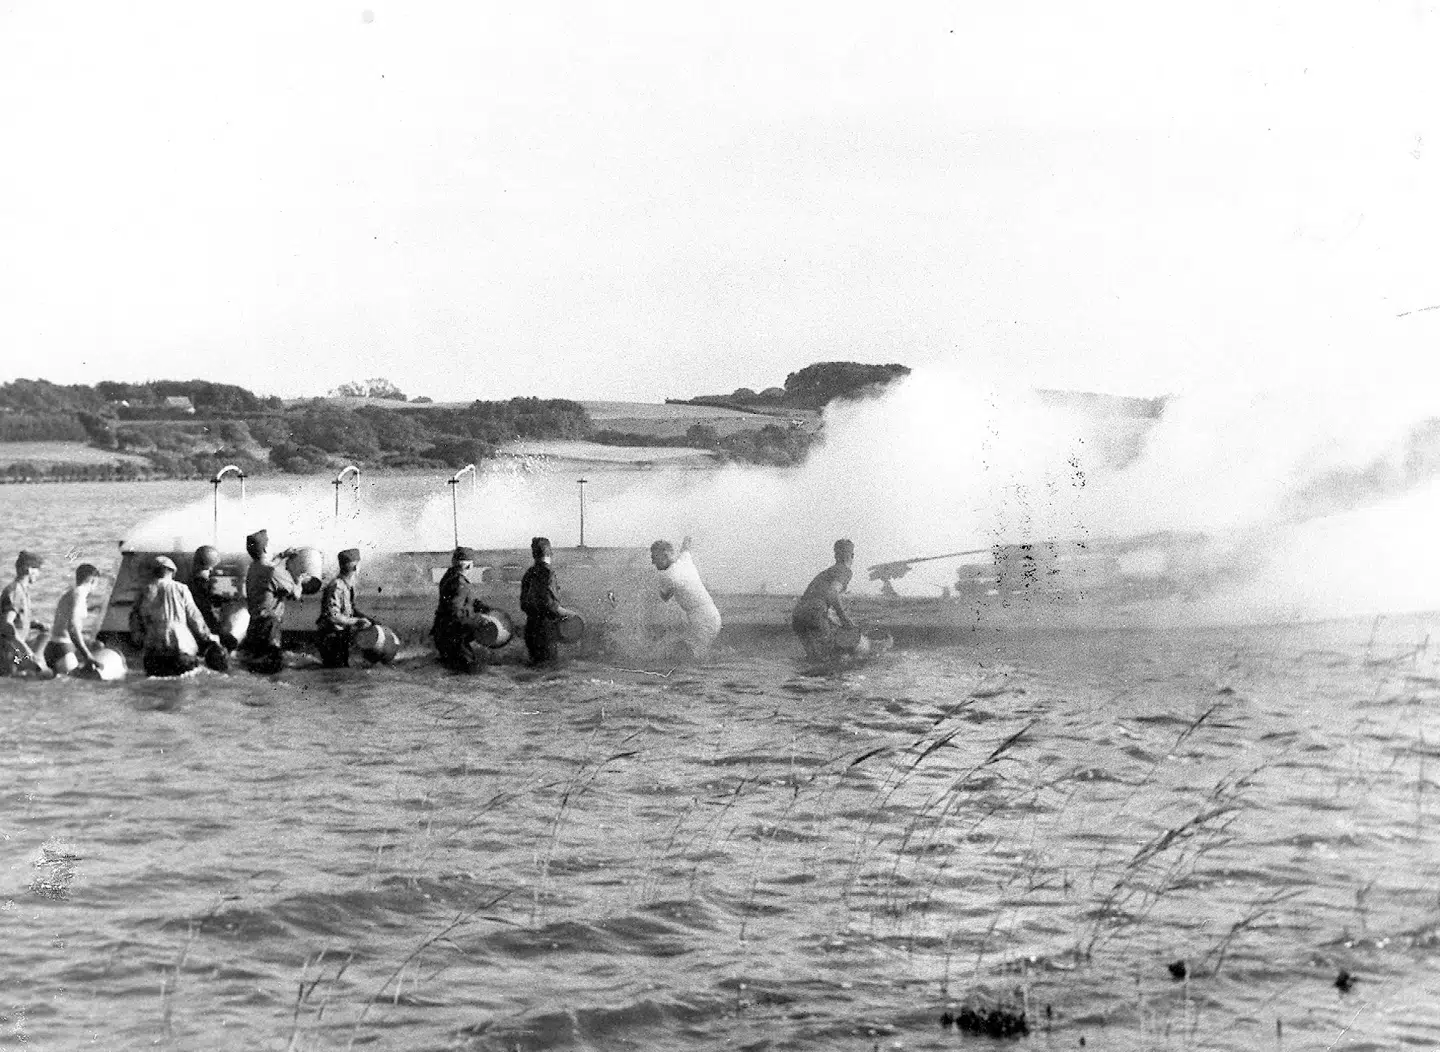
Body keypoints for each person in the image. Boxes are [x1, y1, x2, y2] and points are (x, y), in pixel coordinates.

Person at [136, 555, 219, 677]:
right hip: (181, 649)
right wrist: (208, 637)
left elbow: (136, 621)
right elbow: (194, 617)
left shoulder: (144, 590)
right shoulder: (181, 588)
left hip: (154, 651)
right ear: (171, 572)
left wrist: (140, 641)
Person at [239, 529, 306, 674]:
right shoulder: (273, 572)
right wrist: (299, 580)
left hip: (254, 626)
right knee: (273, 670)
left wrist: (282, 555)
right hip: (269, 626)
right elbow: (295, 594)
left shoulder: (253, 567)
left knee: (255, 669)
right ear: (265, 548)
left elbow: (268, 567)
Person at [650, 538, 722, 661]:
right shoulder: (684, 560)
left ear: (665, 555)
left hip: (702, 621)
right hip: (712, 615)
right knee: (688, 651)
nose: (653, 562)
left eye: (654, 557)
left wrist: (651, 586)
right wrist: (687, 539)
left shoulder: (669, 576)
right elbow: (686, 547)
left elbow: (665, 597)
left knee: (688, 657)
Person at [791, 539, 858, 661]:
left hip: (798, 615)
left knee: (813, 659)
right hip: (815, 612)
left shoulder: (827, 572)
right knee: (831, 658)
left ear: (835, 555)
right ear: (852, 555)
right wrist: (844, 619)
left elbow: (818, 597)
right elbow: (832, 593)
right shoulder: (844, 570)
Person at [431, 546, 494, 672]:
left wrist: (483, 608)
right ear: (469, 566)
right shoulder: (460, 584)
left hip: (443, 633)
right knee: (472, 671)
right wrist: (478, 619)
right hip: (454, 637)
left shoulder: (449, 577)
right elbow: (455, 614)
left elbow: (464, 601)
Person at [316, 548, 372, 668]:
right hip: (331, 637)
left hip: (340, 635)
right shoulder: (337, 586)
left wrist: (369, 620)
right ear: (355, 568)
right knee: (335, 672)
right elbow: (332, 616)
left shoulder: (348, 586)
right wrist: (356, 621)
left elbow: (351, 610)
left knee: (339, 670)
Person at [44, 564, 102, 675]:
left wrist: (93, 607)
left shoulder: (70, 594)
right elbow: (72, 627)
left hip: (52, 647)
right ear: (93, 581)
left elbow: (68, 616)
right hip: (64, 650)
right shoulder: (79, 595)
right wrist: (87, 656)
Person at [0, 550, 48, 676]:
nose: (39, 574)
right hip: (10, 650)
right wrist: (26, 650)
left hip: (14, 649)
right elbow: (6, 624)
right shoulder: (15, 591)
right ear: (29, 569)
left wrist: (33, 624)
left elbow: (16, 620)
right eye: (38, 570)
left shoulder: (22, 589)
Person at [519, 537, 564, 666]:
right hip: (546, 630)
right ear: (550, 553)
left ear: (534, 554)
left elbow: (523, 604)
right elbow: (550, 605)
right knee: (548, 670)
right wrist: (567, 613)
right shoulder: (548, 573)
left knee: (534, 667)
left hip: (531, 628)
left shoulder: (529, 573)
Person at [188, 545, 234, 647]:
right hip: (207, 627)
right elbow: (211, 604)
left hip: (194, 626)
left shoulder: (190, 582)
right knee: (232, 642)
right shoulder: (205, 584)